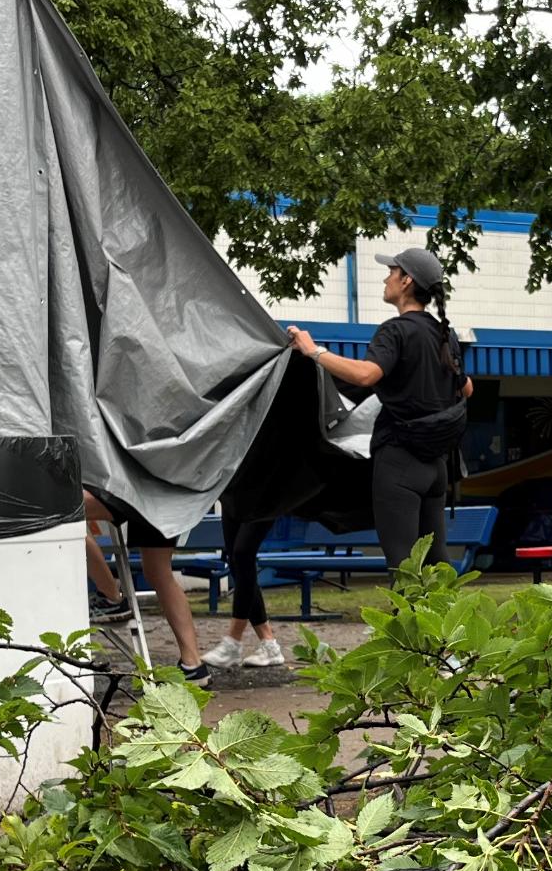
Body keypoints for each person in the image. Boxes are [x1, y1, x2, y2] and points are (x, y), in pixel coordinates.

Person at [287, 248, 473, 571]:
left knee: (403, 567)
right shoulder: (444, 334)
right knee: (436, 564)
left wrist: (313, 351)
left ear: (406, 281)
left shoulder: (395, 331)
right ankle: (446, 622)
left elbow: (366, 375)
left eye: (392, 271)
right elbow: (466, 388)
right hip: (436, 468)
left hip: (400, 462)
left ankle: (405, 623)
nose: (386, 277)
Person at [81, 487, 210, 686]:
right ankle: (193, 666)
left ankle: (111, 596)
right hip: (160, 490)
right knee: (158, 572)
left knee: (63, 510)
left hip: (131, 484)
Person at [199, 509, 285, 669]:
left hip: (264, 491)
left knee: (243, 554)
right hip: (232, 493)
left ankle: (233, 642)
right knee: (236, 562)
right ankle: (269, 644)